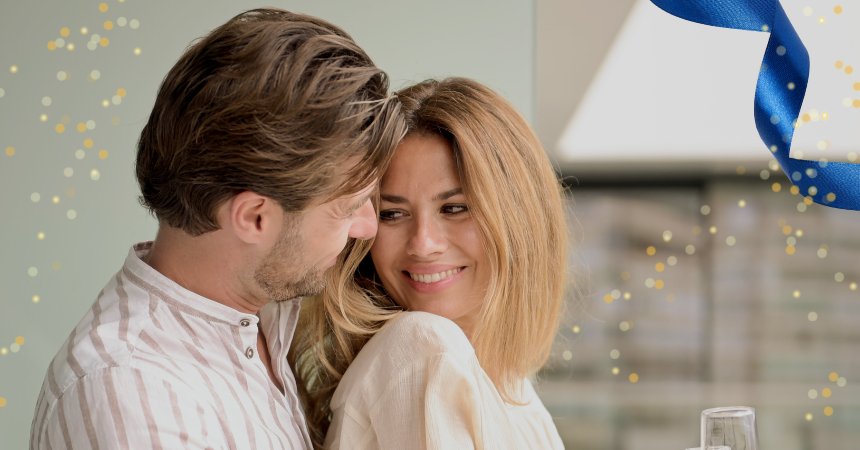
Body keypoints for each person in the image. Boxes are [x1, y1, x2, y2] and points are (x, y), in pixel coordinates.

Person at [28, 8, 404, 449]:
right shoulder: (136, 397)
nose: (367, 227)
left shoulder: (266, 311)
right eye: (348, 207)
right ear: (254, 218)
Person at [290, 78, 569, 449]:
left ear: (518, 218)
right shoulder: (425, 347)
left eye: (454, 208)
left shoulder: (516, 391)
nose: (423, 244)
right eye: (391, 214)